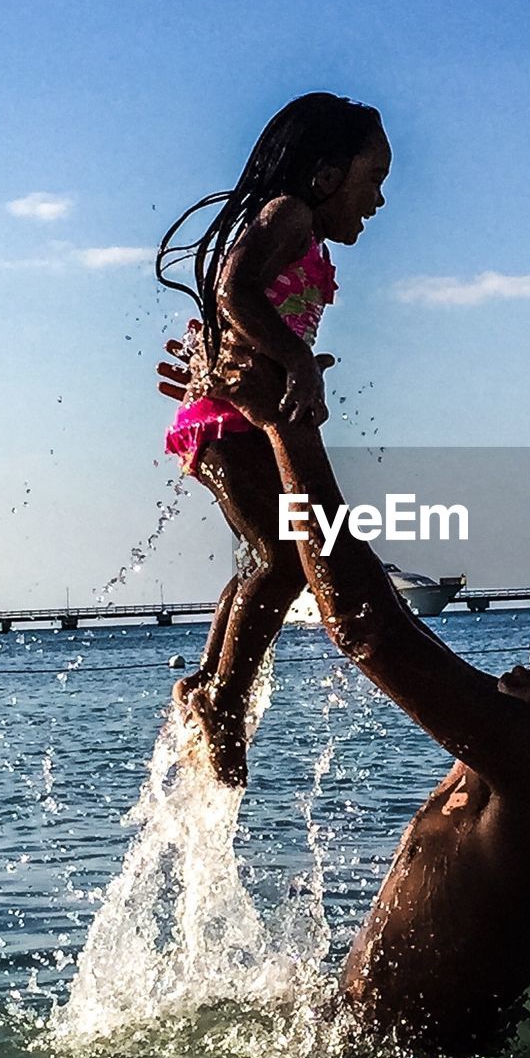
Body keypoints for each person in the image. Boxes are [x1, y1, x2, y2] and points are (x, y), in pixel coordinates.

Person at [157, 344, 530, 1058]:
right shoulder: (515, 755)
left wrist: (289, 425)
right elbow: (379, 609)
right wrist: (241, 432)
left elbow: (370, 628)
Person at [155, 92, 391, 785]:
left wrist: (294, 366)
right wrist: (293, 365)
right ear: (325, 176)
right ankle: (220, 700)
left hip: (241, 419)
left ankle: (207, 682)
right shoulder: (287, 214)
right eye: (371, 180)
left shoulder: (303, 231)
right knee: (287, 561)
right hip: (224, 420)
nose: (378, 201)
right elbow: (233, 291)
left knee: (266, 559)